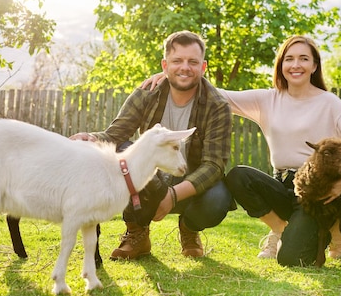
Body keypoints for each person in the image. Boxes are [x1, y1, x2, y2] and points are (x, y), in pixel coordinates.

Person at [143, 35, 341, 266]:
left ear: (314, 66)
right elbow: (219, 95)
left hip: (315, 192)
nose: (296, 65)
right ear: (281, 64)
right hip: (282, 184)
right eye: (289, 59)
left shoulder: (330, 103)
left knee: (291, 259)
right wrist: (173, 76)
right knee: (238, 176)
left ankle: (327, 229)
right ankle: (280, 229)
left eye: (304, 59)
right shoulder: (268, 99)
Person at [71, 30, 234, 260]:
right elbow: (116, 135)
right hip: (150, 178)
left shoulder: (217, 105)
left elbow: (214, 165)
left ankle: (189, 229)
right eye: (177, 61)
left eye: (192, 62)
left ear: (203, 67)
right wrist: (89, 138)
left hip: (188, 179)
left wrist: (173, 196)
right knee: (121, 152)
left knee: (219, 198)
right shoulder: (147, 93)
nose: (185, 67)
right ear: (165, 65)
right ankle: (137, 232)